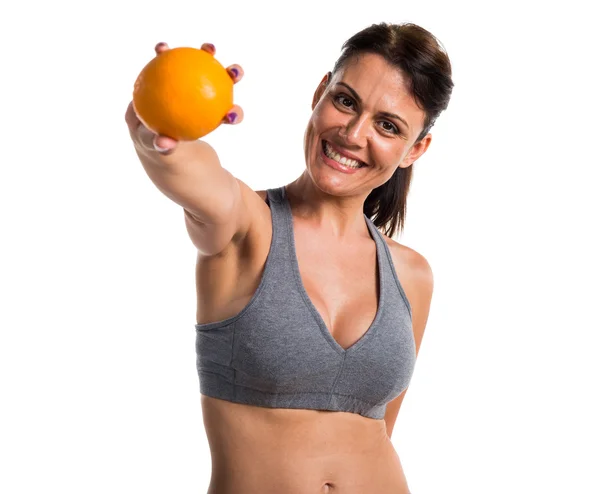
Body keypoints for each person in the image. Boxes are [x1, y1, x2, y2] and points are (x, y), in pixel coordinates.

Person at [125, 21, 453, 494]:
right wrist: (159, 121)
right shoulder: (245, 227)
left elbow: (382, 430)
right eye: (345, 101)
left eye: (388, 126)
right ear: (321, 92)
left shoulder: (411, 274)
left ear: (414, 149)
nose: (354, 133)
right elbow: (187, 173)